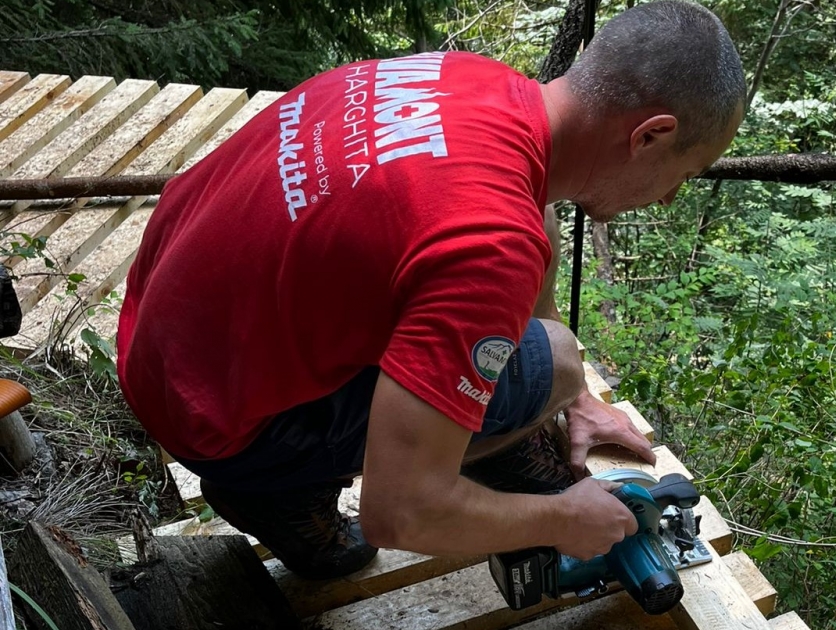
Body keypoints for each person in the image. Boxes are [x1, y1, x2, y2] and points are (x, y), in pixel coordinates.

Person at [115, 0, 745, 580]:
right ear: (650, 135)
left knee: (553, 362)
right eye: (682, 175)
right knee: (551, 364)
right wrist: (565, 519)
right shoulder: (490, 247)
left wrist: (574, 398)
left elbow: (538, 199)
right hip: (215, 416)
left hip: (163, 340)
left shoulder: (476, 80)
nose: (668, 196)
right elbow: (396, 515)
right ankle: (278, 488)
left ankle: (307, 452)